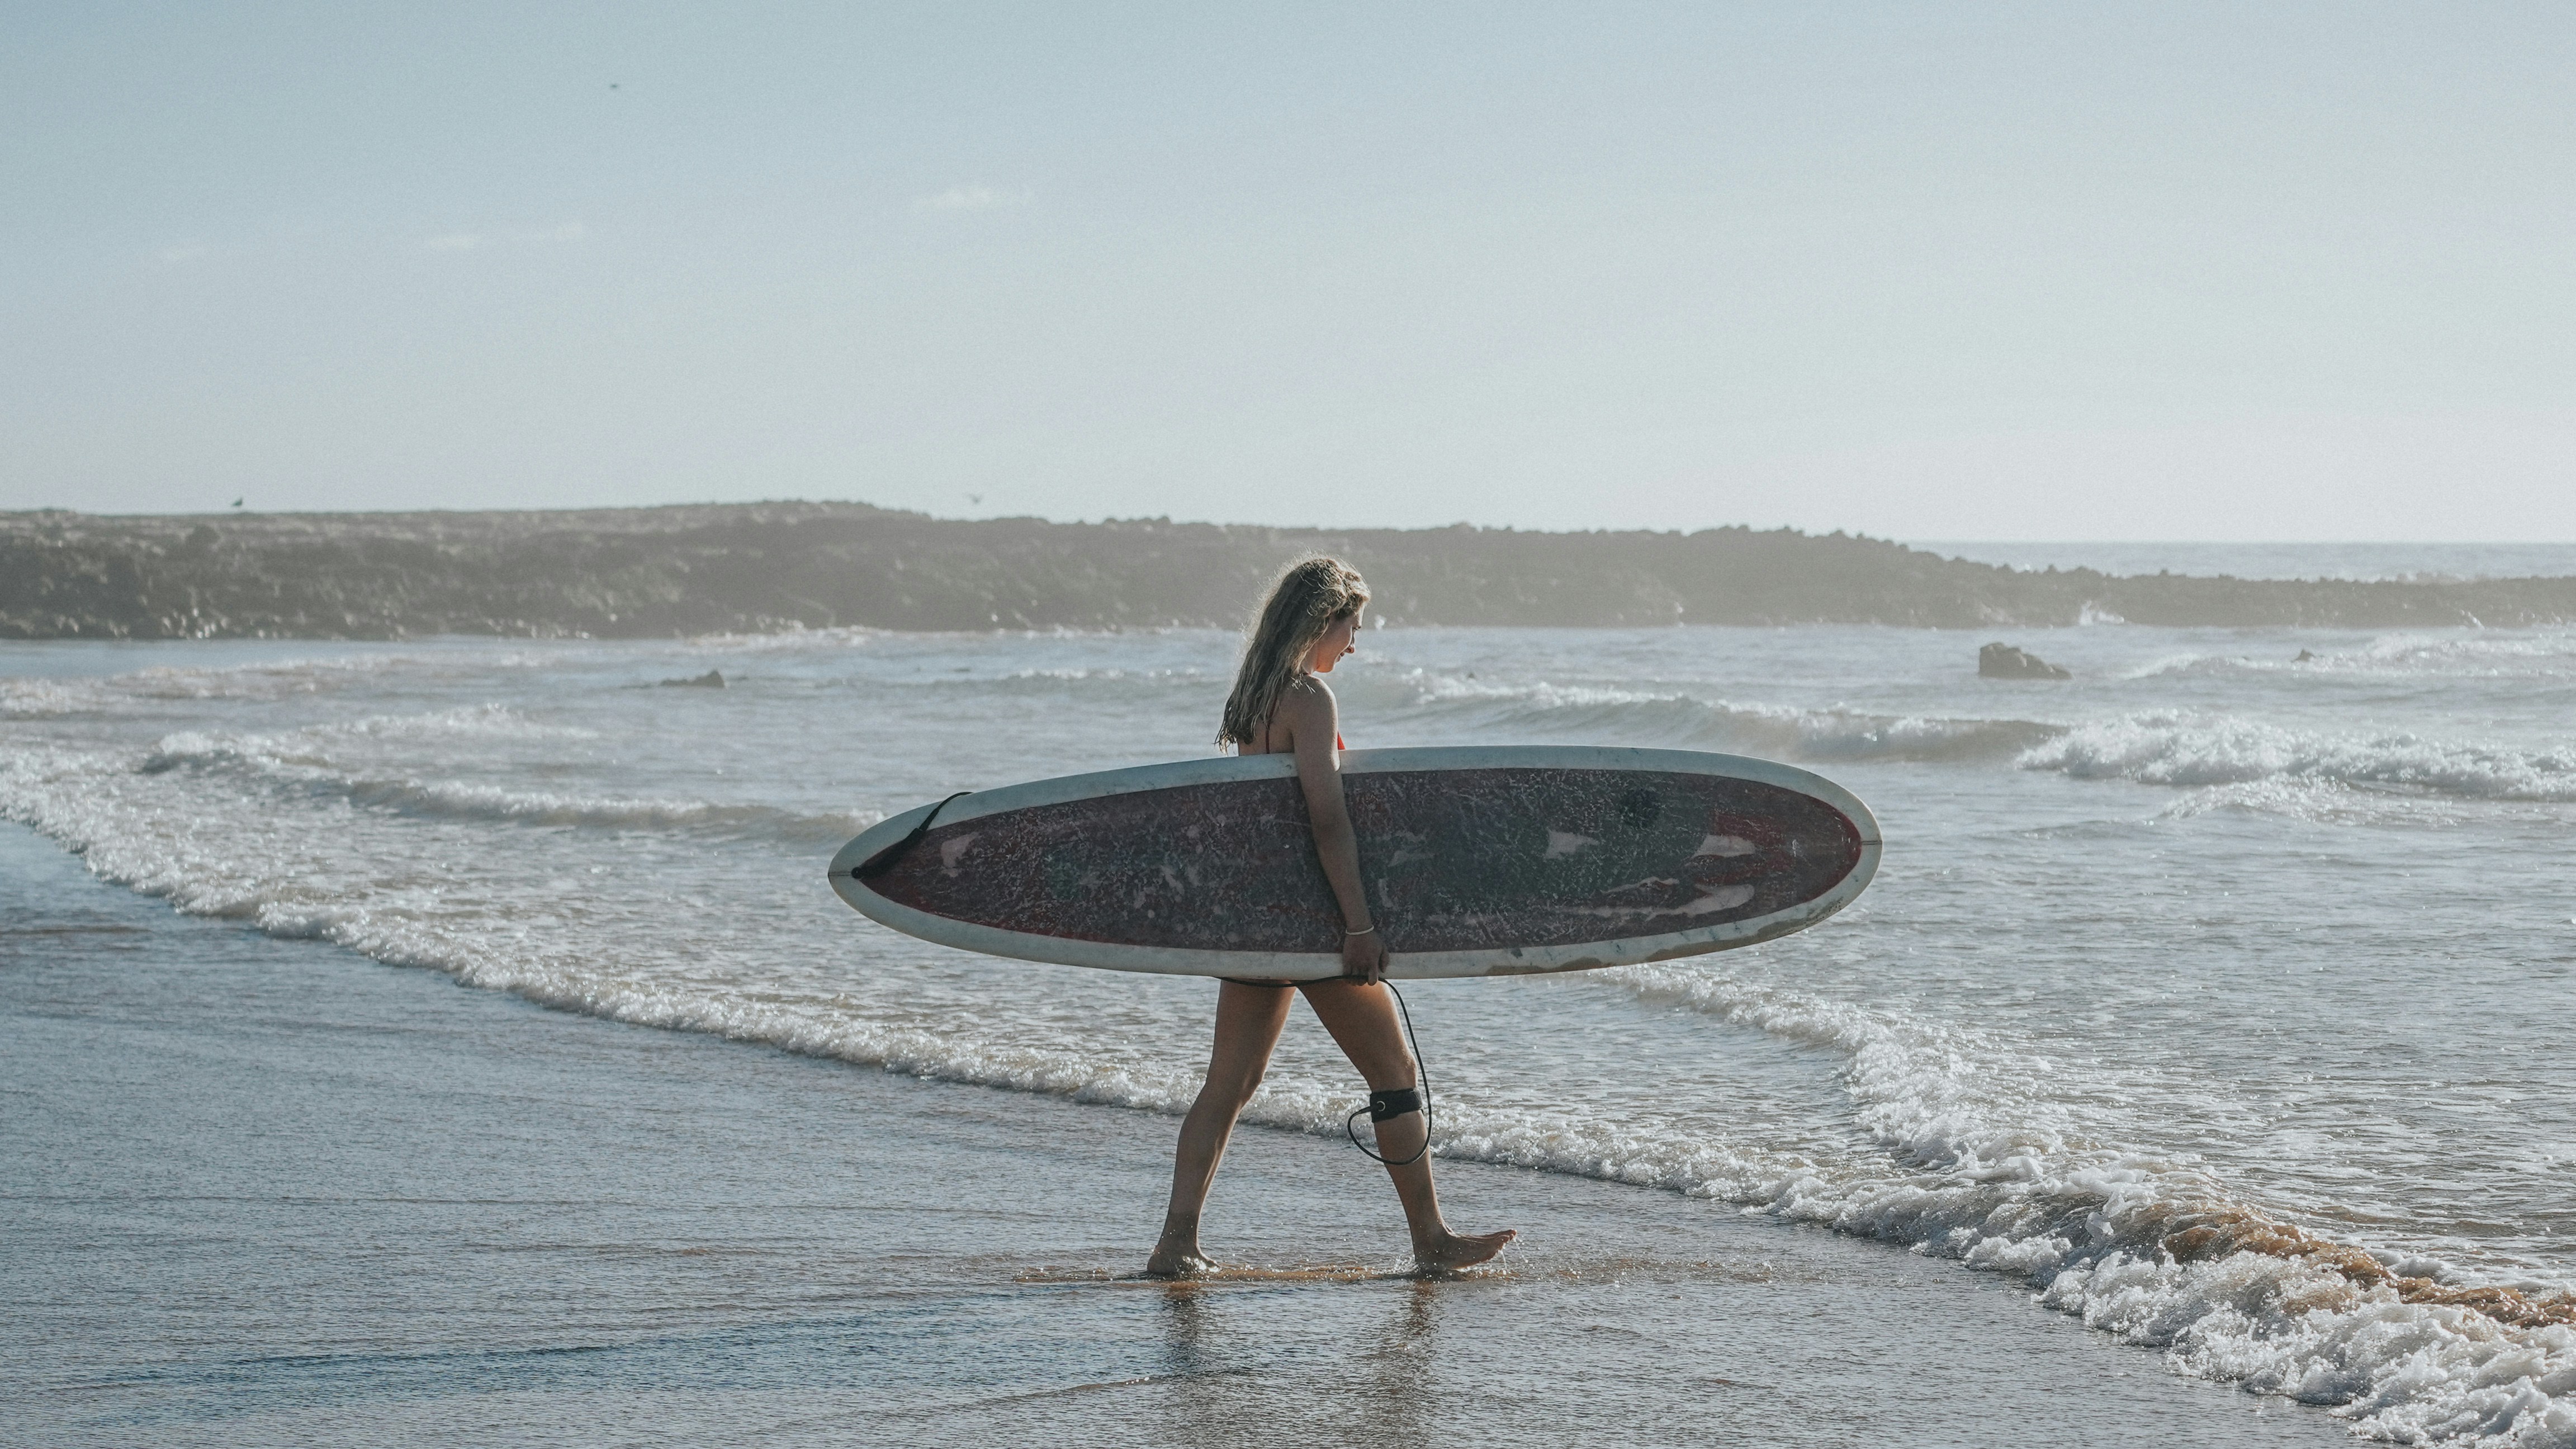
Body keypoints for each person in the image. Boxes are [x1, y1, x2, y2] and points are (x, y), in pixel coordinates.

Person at [1144, 556, 1517, 1277]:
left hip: (1257, 919)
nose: (1355, 643)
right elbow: (1326, 820)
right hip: (1313, 921)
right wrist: (1357, 925)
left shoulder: (1248, 697)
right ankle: (1431, 1242)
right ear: (1323, 620)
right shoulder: (1308, 698)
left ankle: (1176, 1242)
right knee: (1393, 1072)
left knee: (1229, 1082)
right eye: (1352, 626)